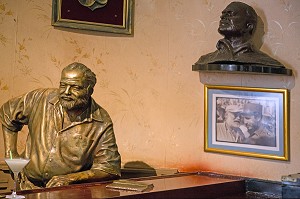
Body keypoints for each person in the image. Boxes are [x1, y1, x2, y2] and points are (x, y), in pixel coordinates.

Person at [0, 62, 121, 189]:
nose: (66, 92)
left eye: (75, 87)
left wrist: (71, 178)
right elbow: (8, 112)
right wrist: (10, 153)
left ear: (89, 90)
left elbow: (110, 168)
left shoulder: (101, 122)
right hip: (28, 187)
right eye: (63, 85)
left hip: (67, 193)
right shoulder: (41, 98)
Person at [195, 1, 285, 68]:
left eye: (230, 14)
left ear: (249, 26)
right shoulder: (206, 60)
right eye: (223, 14)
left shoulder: (266, 62)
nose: (222, 17)